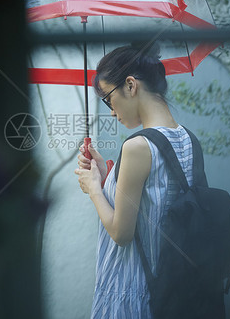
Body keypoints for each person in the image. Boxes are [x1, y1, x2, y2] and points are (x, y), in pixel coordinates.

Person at [74, 43, 197, 318]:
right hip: (174, 289)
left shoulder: (137, 147)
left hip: (133, 291)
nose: (111, 112)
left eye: (108, 98)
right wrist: (108, 180)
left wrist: (94, 189)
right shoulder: (187, 139)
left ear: (130, 86)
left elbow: (121, 233)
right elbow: (154, 204)